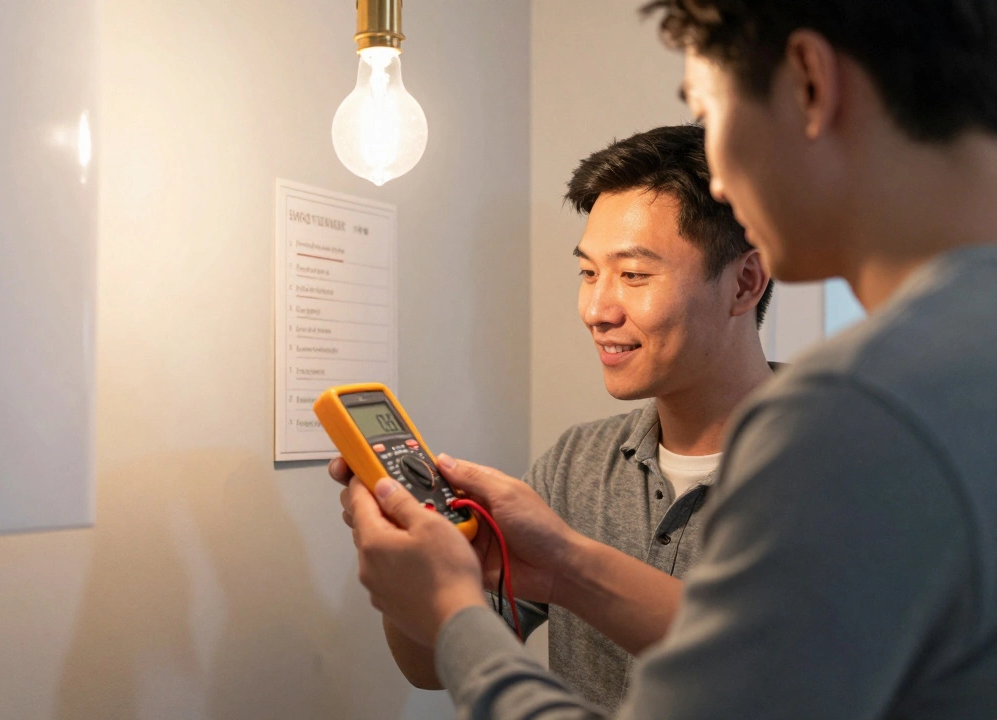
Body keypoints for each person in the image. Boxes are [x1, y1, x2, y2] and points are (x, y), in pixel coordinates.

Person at [345, 0, 997, 717]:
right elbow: (776, 663)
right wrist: (560, 563)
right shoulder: (959, 366)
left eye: (709, 113)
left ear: (810, 82)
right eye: (589, 272)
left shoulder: (850, 418)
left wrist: (452, 615)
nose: (720, 180)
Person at [331, 123, 775, 710]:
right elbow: (432, 665)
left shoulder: (839, 467)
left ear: (744, 283)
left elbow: (790, 674)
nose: (595, 309)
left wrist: (567, 566)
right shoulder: (576, 464)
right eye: (589, 272)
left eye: (634, 275)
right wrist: (416, 571)